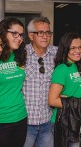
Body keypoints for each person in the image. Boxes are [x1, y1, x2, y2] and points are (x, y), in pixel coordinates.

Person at [0, 17, 27, 147]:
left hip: (21, 116)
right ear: (3, 33)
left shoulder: (19, 55)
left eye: (21, 34)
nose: (19, 38)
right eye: (14, 33)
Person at [48, 32, 81, 147]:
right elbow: (52, 100)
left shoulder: (78, 66)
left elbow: (80, 95)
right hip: (64, 122)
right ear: (65, 49)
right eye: (73, 48)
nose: (78, 51)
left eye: (80, 47)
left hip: (77, 119)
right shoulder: (61, 69)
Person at [23, 16, 57, 147]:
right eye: (40, 33)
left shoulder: (56, 52)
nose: (45, 36)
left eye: (48, 32)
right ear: (31, 36)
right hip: (26, 122)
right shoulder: (21, 54)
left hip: (47, 121)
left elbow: (77, 53)